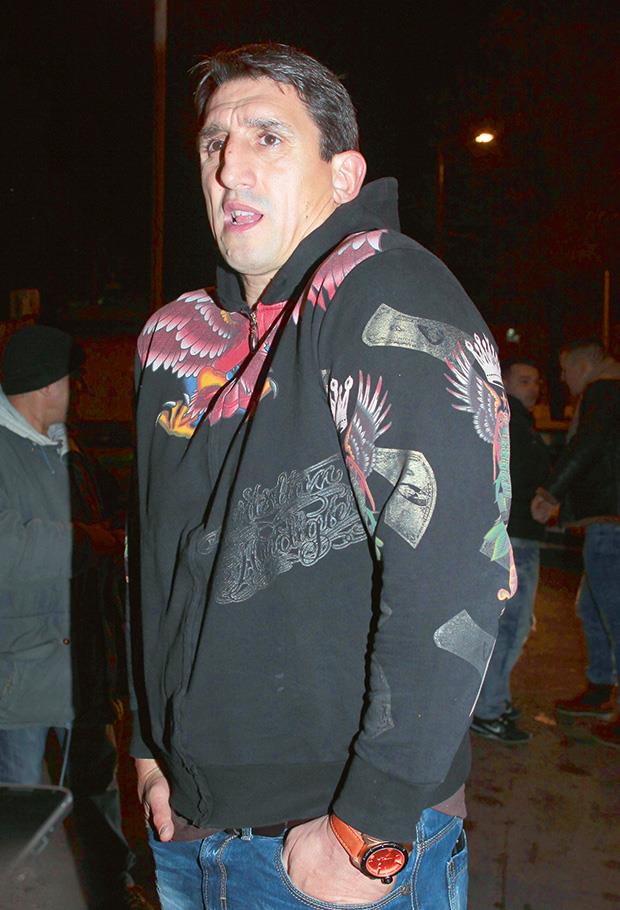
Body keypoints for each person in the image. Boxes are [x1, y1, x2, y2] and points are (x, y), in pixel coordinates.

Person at [131, 43, 515, 909]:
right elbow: (149, 557)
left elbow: (459, 567)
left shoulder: (379, 285)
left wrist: (368, 829)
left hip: (328, 846)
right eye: (214, 142)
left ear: (344, 175)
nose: (229, 166)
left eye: (268, 137)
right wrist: (148, 748)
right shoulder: (171, 340)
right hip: (190, 825)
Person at [0, 324, 152, 910]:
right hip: (20, 669)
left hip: (82, 659)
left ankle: (110, 889)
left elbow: (111, 522)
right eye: (74, 379)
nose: (81, 390)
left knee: (95, 786)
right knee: (24, 799)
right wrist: (87, 540)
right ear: (47, 384)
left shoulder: (71, 451)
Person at [532, 339, 620, 749]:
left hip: (609, 521)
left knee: (613, 613)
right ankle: (600, 690)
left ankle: (606, 695)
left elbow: (588, 444)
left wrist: (550, 492)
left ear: (586, 365)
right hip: (607, 520)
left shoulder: (603, 391)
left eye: (567, 370)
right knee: (591, 607)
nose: (564, 380)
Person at [471, 359, 551, 743]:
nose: (532, 387)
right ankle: (488, 709)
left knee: (509, 626)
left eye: (536, 381)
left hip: (513, 536)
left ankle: (491, 700)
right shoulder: (512, 423)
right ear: (503, 382)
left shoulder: (513, 422)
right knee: (511, 627)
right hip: (515, 537)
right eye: (523, 380)